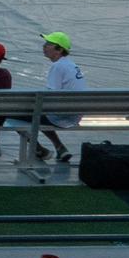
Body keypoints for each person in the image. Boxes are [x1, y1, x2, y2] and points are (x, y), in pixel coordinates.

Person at [36, 32, 85, 163]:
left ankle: (40, 150)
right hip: (76, 115)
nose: (44, 46)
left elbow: (50, 96)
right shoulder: (71, 65)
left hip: (62, 116)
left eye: (48, 44)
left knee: (18, 115)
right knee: (36, 114)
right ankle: (60, 148)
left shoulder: (58, 67)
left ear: (59, 50)